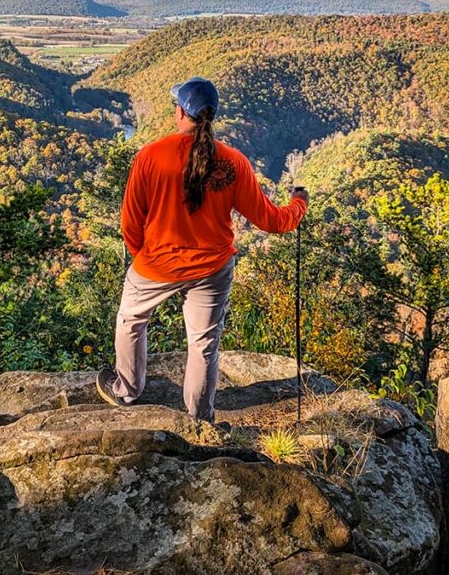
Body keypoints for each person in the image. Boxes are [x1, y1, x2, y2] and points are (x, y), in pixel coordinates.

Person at [96, 77, 309, 422]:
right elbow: (273, 221)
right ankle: (199, 417)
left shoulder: (150, 156)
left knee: (131, 321)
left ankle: (127, 390)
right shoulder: (233, 163)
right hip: (212, 268)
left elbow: (131, 223)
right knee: (203, 344)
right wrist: (299, 204)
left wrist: (143, 257)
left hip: (156, 264)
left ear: (181, 112)